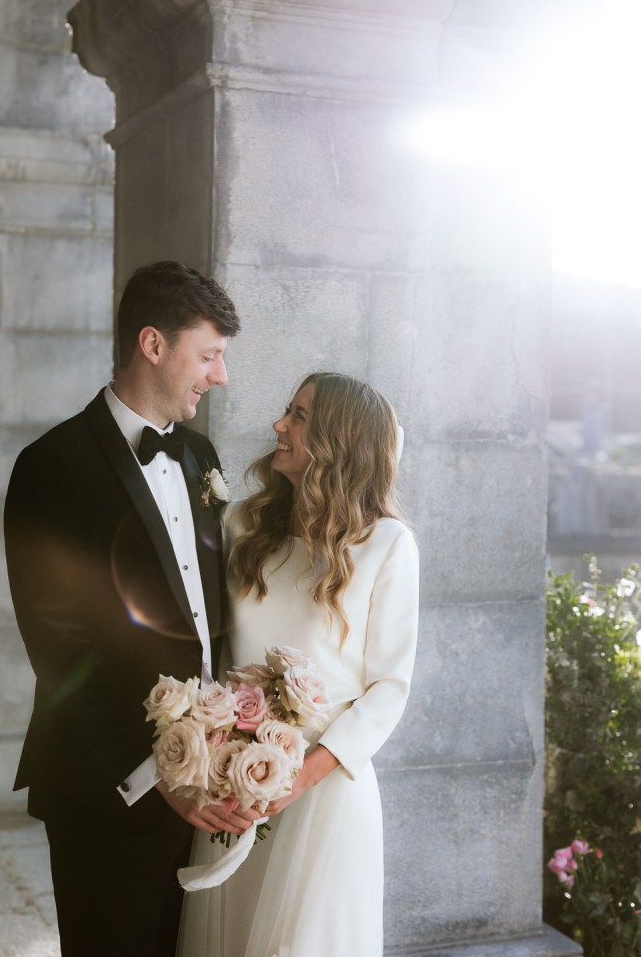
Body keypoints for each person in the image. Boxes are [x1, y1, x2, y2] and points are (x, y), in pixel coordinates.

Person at [4, 260, 255, 957]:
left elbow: (212, 619)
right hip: (105, 788)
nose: (220, 375)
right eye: (208, 355)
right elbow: (58, 647)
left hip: (206, 787)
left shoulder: (200, 453)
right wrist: (156, 774)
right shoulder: (51, 465)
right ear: (153, 344)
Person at [180, 372, 419, 957]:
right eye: (287, 411)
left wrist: (297, 779)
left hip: (326, 796)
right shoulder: (241, 525)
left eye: (299, 416)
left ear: (341, 440)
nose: (278, 426)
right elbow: (207, 651)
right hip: (236, 785)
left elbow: (390, 687)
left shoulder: (388, 545)